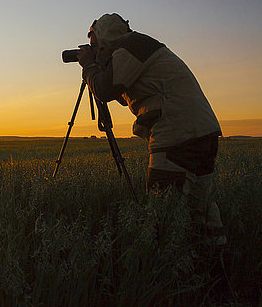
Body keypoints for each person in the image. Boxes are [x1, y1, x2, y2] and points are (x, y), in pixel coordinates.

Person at [77, 13, 226, 246]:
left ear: (107, 39)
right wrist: (99, 68)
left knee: (161, 212)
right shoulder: (138, 46)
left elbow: (106, 90)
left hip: (176, 134)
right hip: (201, 132)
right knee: (201, 210)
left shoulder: (129, 47)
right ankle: (215, 264)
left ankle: (167, 269)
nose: (95, 51)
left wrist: (89, 69)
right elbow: (124, 96)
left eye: (96, 45)